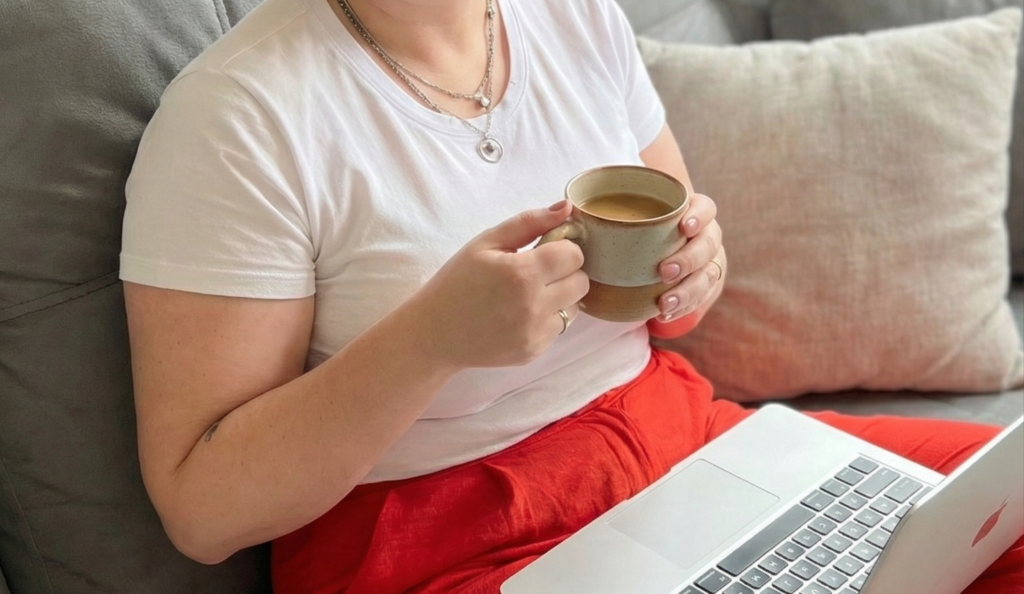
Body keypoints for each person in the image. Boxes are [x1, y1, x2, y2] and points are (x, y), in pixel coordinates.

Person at [118, 0, 1023, 592]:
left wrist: (696, 269)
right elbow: (205, 512)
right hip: (438, 537)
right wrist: (432, 339)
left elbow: (675, 297)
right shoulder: (237, 116)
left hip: (677, 444)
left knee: (996, 521)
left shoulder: (574, 15)